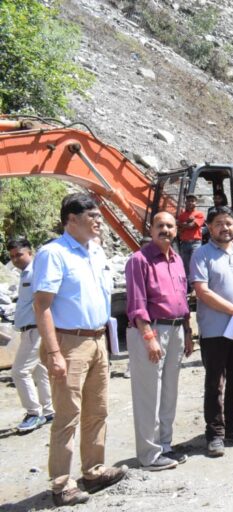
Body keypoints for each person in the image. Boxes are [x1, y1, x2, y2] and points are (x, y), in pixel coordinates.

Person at [33, 193, 126, 506]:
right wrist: (54, 352)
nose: (98, 222)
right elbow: (42, 306)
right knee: (67, 416)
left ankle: (94, 470)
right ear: (71, 220)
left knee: (97, 409)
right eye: (92, 217)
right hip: (69, 343)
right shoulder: (53, 254)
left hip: (98, 339)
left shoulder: (95, 251)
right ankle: (61, 484)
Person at [125, 212, 193, 471]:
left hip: (175, 330)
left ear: (176, 230)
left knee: (168, 393)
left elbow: (183, 300)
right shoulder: (139, 260)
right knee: (148, 394)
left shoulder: (176, 260)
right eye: (160, 226)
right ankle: (149, 455)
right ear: (151, 230)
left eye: (170, 226)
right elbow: (136, 303)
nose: (165, 229)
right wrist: (149, 337)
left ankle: (165, 445)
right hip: (152, 331)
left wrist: (187, 332)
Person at [189, 205, 233, 457]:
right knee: (215, 382)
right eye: (218, 223)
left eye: (228, 223)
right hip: (215, 330)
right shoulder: (202, 255)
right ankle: (215, 433)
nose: (224, 227)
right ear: (208, 226)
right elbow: (202, 291)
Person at [8, 237, 54, 433]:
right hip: (29, 329)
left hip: (36, 328)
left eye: (19, 254)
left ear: (30, 252)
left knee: (19, 371)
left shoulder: (35, 272)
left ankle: (33, 413)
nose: (16, 259)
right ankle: (49, 409)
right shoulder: (25, 274)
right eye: (12, 256)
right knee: (39, 370)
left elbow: (44, 302)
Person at [177, 194, 205, 290]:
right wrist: (186, 223)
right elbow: (178, 227)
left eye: (192, 201)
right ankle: (188, 288)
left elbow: (191, 226)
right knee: (185, 265)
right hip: (184, 243)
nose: (190, 203)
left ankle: (196, 288)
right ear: (185, 202)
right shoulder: (182, 215)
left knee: (195, 264)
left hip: (195, 243)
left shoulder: (199, 214)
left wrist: (183, 224)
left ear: (196, 203)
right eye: (188, 201)